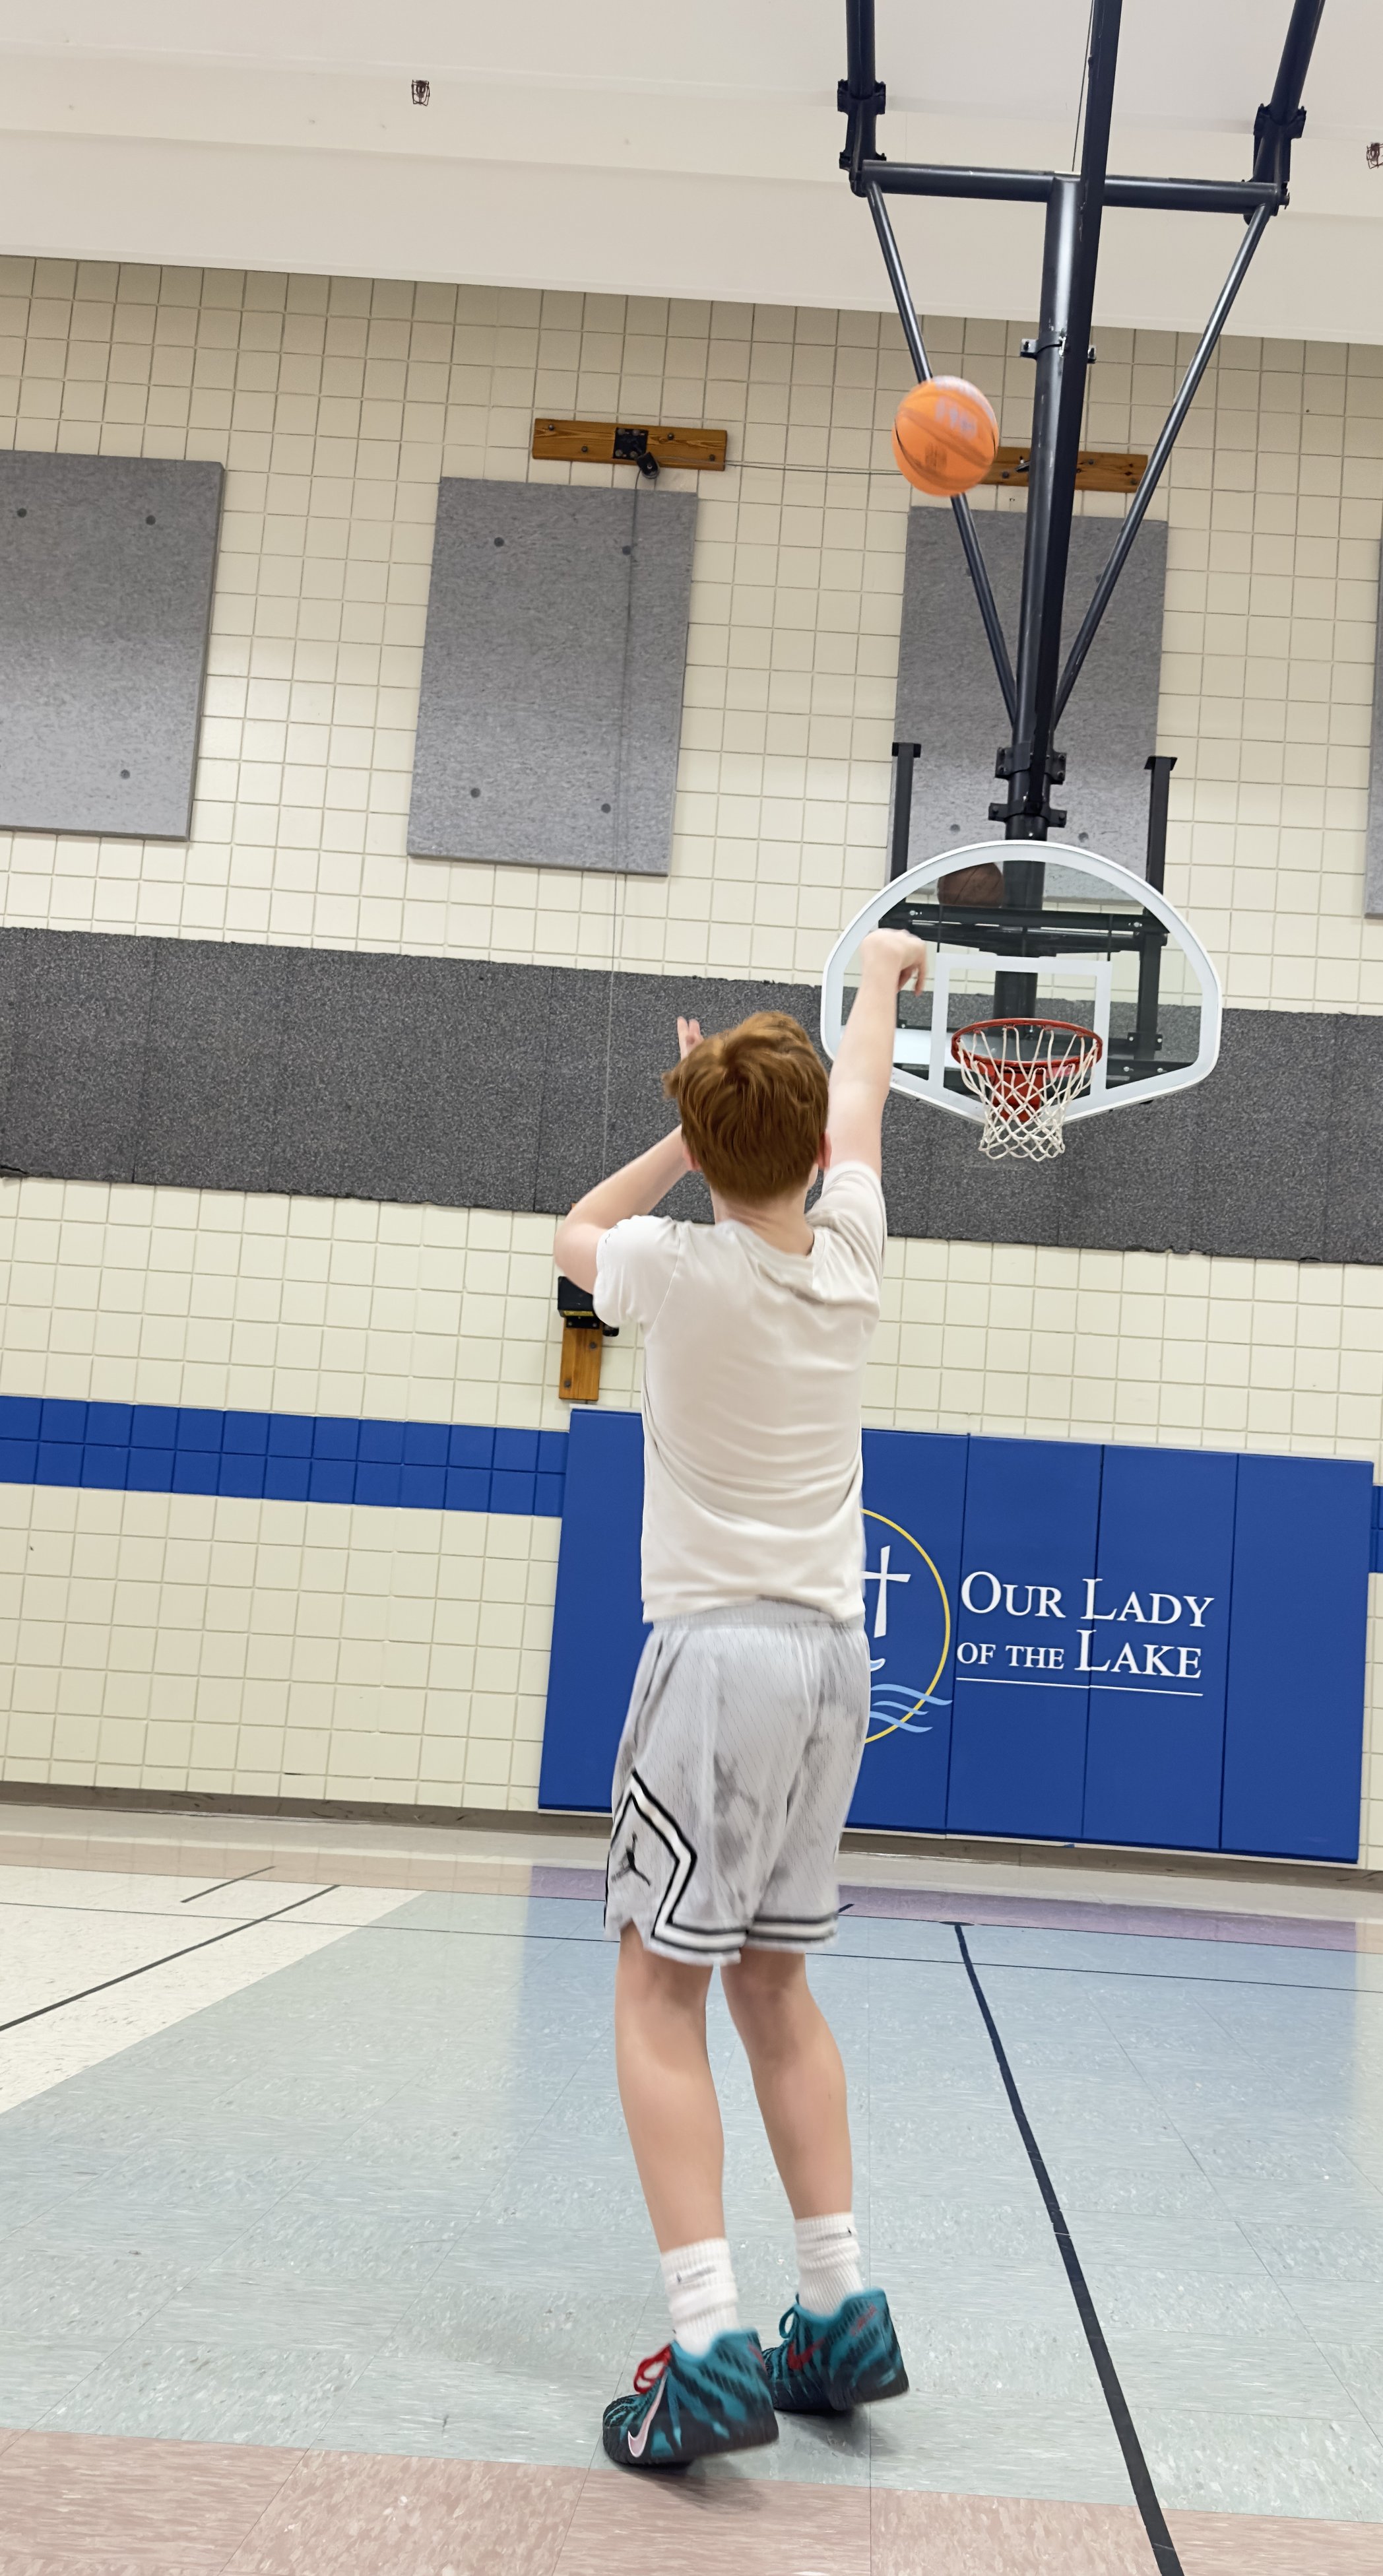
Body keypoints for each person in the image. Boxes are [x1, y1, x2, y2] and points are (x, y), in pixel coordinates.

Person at [553, 932, 924, 2469]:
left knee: (657, 1993)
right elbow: (855, 1105)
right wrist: (887, 979)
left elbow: (577, 1225)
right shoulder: (848, 1253)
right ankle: (837, 2312)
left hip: (713, 1663)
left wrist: (681, 1115)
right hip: (835, 1664)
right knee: (776, 1985)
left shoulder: (667, 1268)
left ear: (705, 1143)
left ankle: (705, 2343)